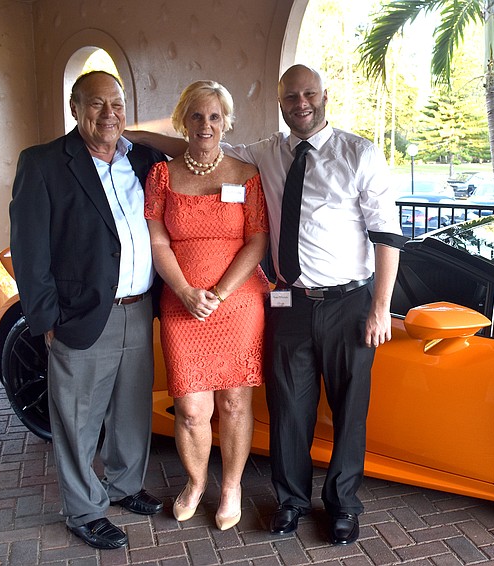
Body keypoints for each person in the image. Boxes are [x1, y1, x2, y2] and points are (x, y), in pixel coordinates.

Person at [128, 64, 402, 545]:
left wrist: (381, 306)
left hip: (347, 303)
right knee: (289, 410)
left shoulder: (359, 153)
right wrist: (121, 128)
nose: (301, 102)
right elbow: (198, 146)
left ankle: (342, 505)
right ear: (280, 101)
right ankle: (292, 500)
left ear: (323, 96)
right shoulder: (266, 154)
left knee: (348, 409)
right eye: (291, 95)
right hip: (287, 302)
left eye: (309, 93)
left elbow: (387, 235)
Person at [9, 70, 165, 550]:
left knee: (132, 409)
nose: (108, 113)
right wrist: (46, 320)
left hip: (138, 308)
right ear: (74, 108)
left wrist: (129, 131)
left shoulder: (142, 159)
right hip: (80, 314)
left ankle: (124, 486)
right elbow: (29, 249)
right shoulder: (43, 163)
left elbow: (192, 147)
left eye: (116, 104)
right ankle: (84, 510)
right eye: (96, 104)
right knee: (77, 419)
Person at [143, 80, 269, 531]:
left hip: (237, 304)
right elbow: (158, 239)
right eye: (197, 115)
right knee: (193, 408)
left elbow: (256, 241)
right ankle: (196, 482)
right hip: (182, 305)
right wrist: (184, 290)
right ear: (183, 121)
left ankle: (231, 487)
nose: (206, 124)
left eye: (215, 116)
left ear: (226, 122)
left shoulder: (245, 175)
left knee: (235, 403)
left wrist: (219, 292)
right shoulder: (162, 175)